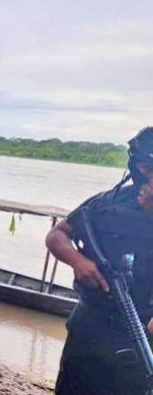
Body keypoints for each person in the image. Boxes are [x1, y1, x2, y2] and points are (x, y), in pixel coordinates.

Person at [46, 126, 153, 395]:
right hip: (90, 324)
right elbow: (57, 234)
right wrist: (78, 261)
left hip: (142, 336)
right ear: (140, 168)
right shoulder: (109, 202)